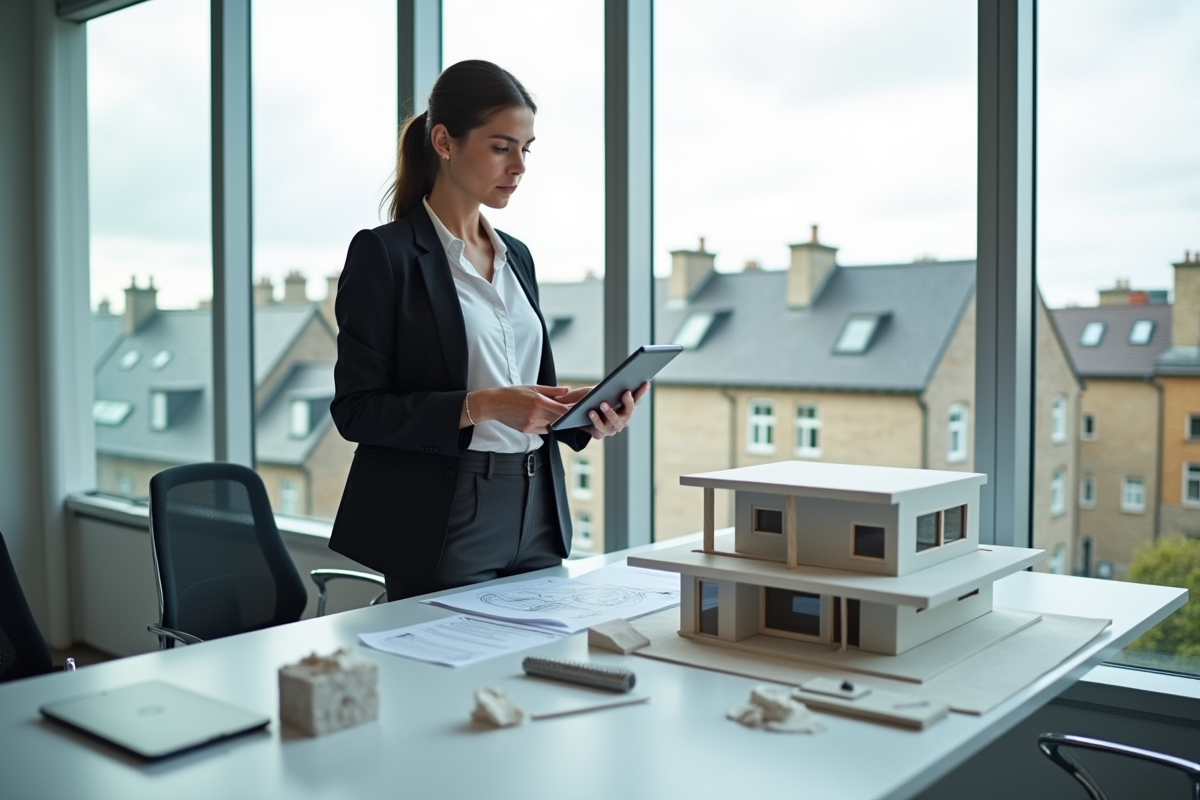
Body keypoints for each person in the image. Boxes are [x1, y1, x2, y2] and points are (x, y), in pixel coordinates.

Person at [328, 60, 647, 601]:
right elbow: (357, 411)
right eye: (502, 147)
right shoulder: (385, 255)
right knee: (447, 679)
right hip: (444, 517)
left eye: (527, 148)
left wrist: (584, 415)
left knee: (536, 672)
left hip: (537, 508)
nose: (518, 166)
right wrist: (485, 406)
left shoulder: (516, 256)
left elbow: (529, 393)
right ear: (444, 142)